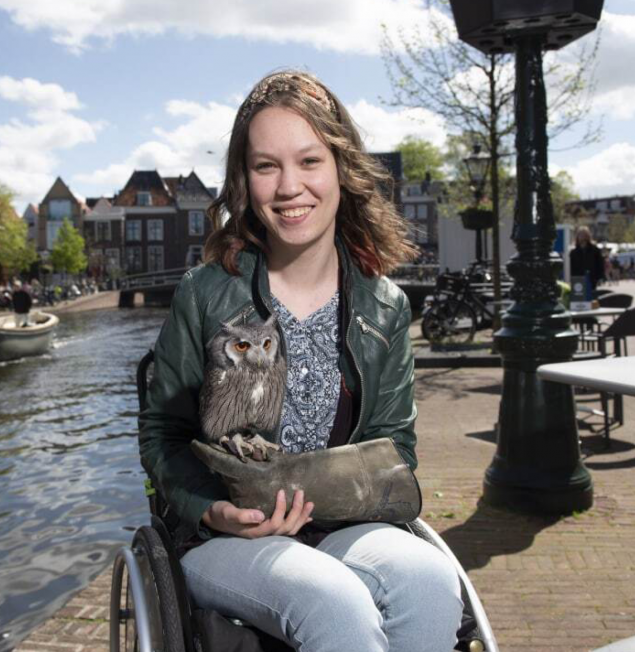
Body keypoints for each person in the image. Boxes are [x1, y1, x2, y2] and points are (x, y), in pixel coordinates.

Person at [139, 70, 463, 652]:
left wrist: (332, 496)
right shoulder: (204, 293)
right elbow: (164, 434)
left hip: (348, 527)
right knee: (330, 600)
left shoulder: (385, 305)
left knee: (433, 582)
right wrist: (214, 510)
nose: (290, 187)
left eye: (309, 161)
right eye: (267, 166)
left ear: (341, 168)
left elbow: (395, 446)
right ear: (245, 181)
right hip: (228, 539)